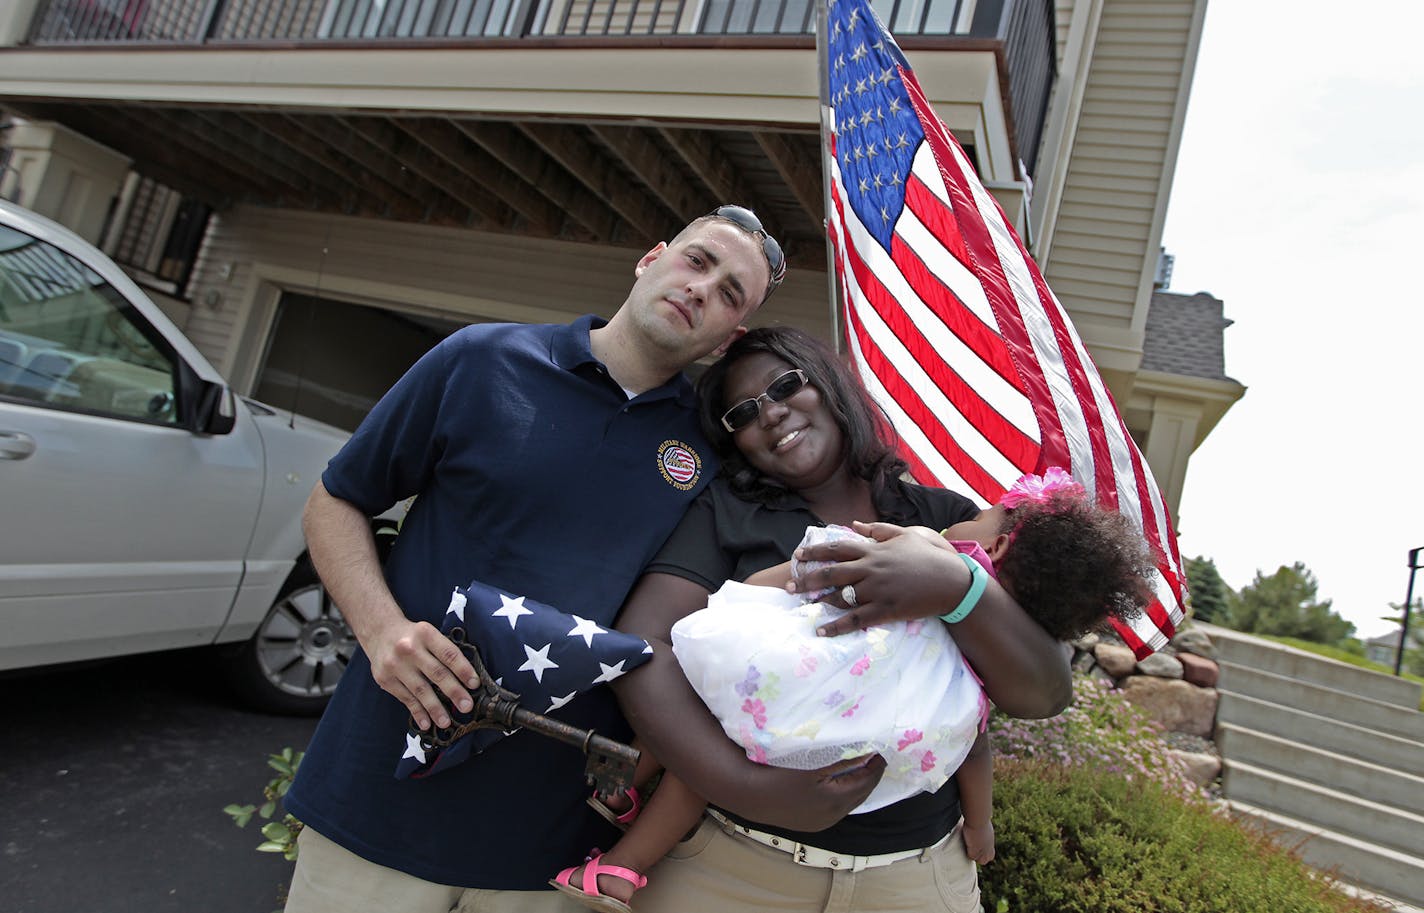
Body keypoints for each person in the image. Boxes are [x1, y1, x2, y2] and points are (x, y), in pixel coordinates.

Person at [280, 206, 847, 913]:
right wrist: (378, 630)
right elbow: (334, 501)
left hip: (552, 849)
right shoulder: (481, 360)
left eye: (731, 292)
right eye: (699, 262)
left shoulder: (713, 455)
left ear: (727, 336)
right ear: (652, 258)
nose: (704, 288)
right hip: (379, 800)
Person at [591, 326, 1074, 913]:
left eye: (785, 385)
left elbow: (1043, 690)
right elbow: (646, 643)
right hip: (734, 869)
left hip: (916, 881)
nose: (769, 413)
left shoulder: (942, 522)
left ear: (830, 384)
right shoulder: (726, 515)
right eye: (742, 413)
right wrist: (746, 786)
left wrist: (957, 586)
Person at [549, 466, 1153, 912]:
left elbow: (833, 557)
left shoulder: (934, 544)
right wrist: (981, 828)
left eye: (989, 512)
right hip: (852, 746)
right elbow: (975, 744)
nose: (972, 511)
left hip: (804, 685)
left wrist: (767, 587)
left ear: (992, 545)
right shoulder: (979, 652)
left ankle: (625, 805)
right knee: (725, 723)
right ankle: (620, 871)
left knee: (713, 700)